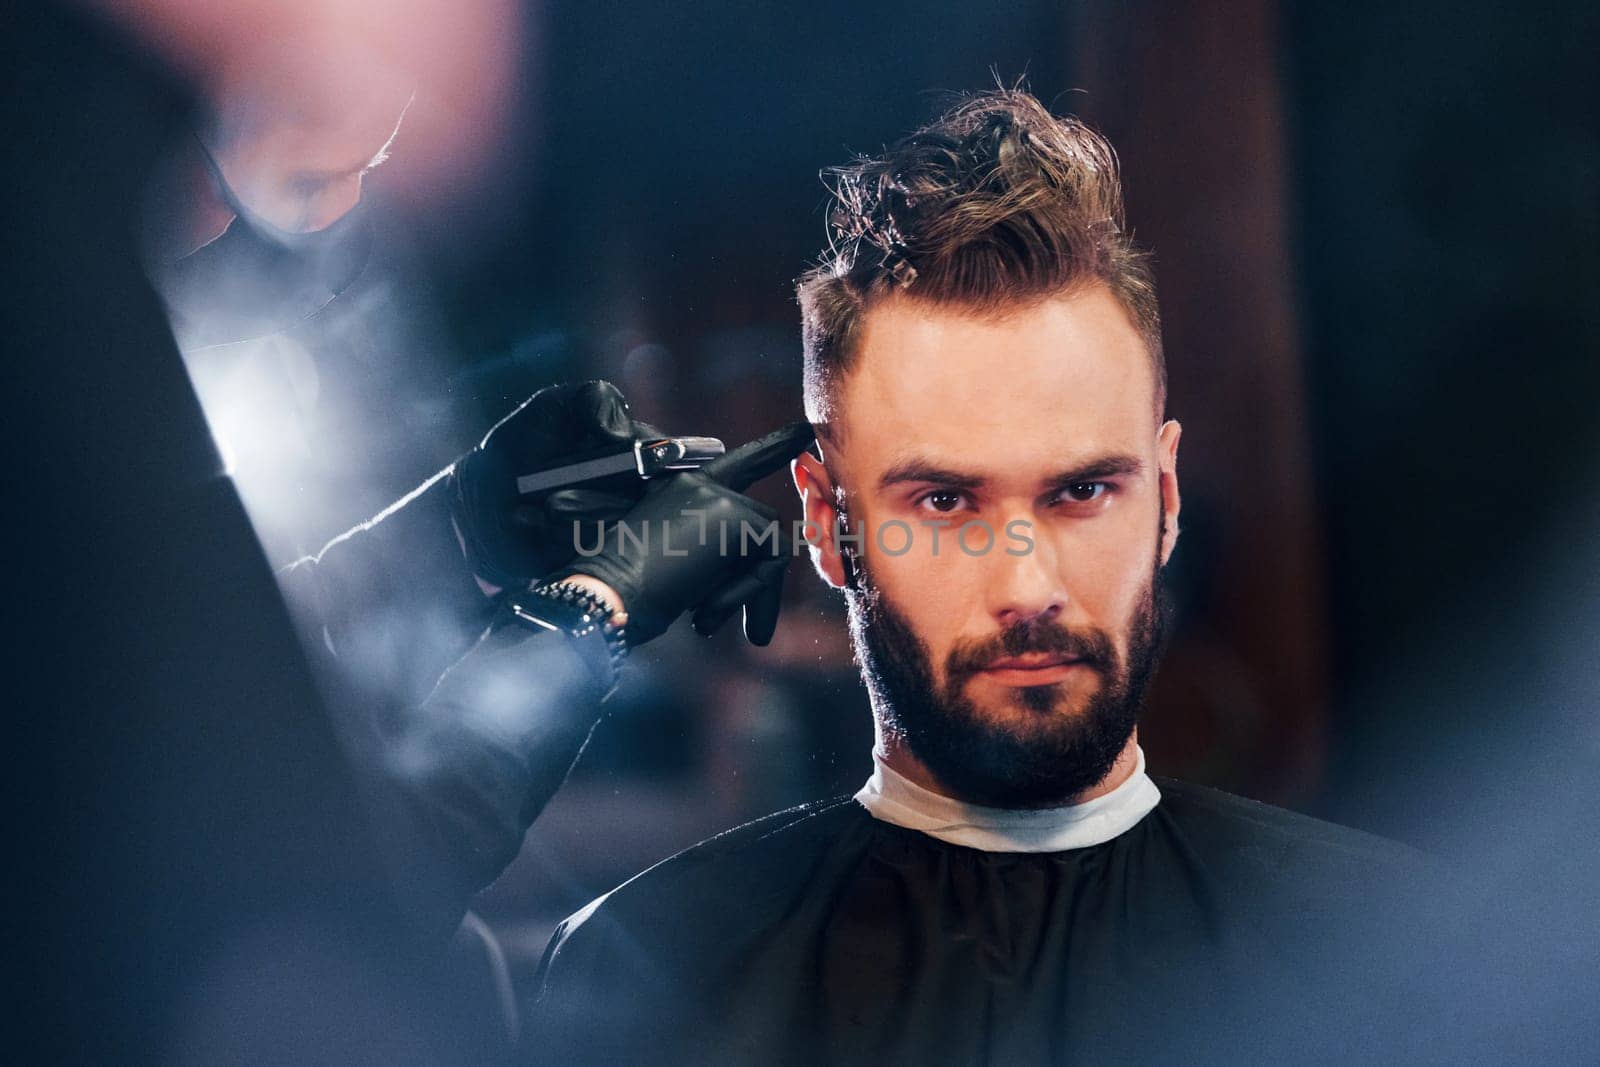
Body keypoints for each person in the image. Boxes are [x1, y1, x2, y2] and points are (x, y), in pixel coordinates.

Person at [490, 90, 1457, 1064]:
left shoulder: (1396, 951)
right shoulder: (653, 975)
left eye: (1082, 490)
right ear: (828, 521)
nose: (1027, 586)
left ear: (1163, 497)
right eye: (946, 502)